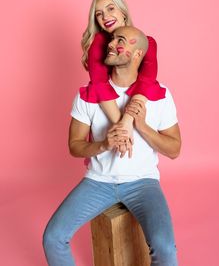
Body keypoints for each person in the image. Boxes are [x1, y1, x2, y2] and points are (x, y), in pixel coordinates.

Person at [43, 26, 181, 266]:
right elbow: (74, 146)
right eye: (111, 39)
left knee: (165, 247)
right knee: (53, 237)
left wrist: (142, 126)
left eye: (120, 40)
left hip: (143, 183)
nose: (110, 44)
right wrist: (104, 144)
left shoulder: (160, 95)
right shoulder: (87, 95)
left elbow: (174, 149)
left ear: (137, 54)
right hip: (98, 182)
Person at [80, 0, 166, 156]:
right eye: (99, 14)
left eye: (111, 9)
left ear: (123, 12)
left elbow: (146, 81)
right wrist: (122, 129)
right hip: (110, 112)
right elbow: (99, 85)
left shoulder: (147, 42)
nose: (105, 16)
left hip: (139, 107)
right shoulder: (98, 44)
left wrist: (127, 122)